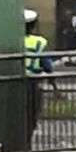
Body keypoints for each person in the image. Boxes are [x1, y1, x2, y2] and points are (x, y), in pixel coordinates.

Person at [23, 9, 54, 143]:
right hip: (33, 82)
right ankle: (27, 142)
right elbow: (47, 65)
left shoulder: (13, 40)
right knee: (31, 115)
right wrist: (53, 82)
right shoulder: (39, 42)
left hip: (15, 83)